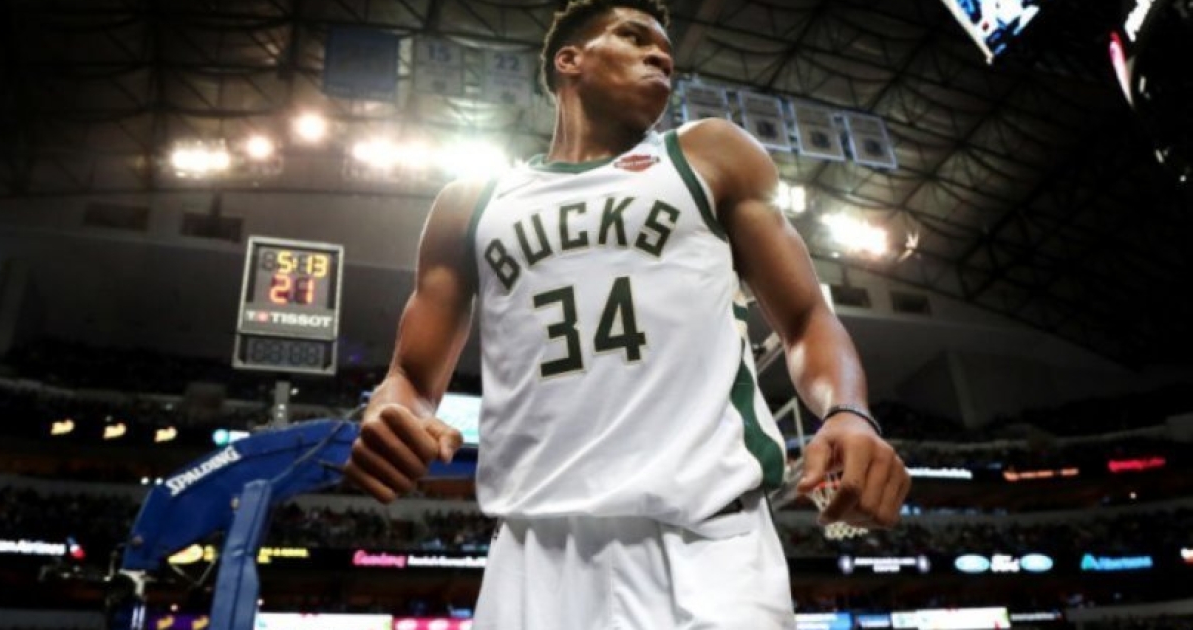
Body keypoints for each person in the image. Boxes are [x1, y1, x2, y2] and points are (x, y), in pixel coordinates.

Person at [344, 1, 911, 627]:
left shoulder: (707, 156)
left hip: (707, 542)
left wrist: (848, 411)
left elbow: (805, 318)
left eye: (665, 47)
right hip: (531, 551)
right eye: (634, 37)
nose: (660, 54)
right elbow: (411, 377)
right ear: (570, 60)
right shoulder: (470, 203)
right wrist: (390, 410)